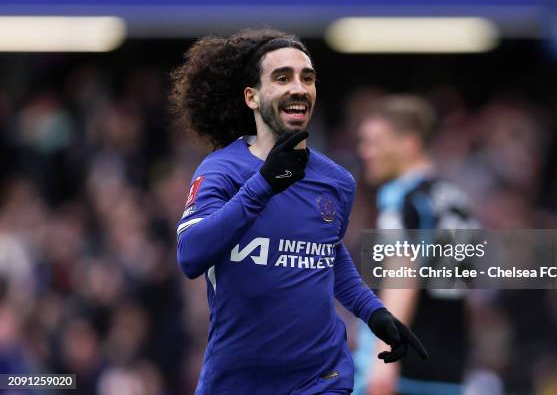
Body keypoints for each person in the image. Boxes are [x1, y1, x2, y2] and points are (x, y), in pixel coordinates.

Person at [169, 29, 428, 395]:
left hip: (321, 379)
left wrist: (374, 312)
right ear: (252, 97)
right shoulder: (221, 171)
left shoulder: (336, 182)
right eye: (282, 77)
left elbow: (326, 253)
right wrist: (263, 185)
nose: (298, 87)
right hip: (238, 381)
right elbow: (191, 254)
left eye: (307, 78)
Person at [355, 94, 478, 395]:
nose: (364, 152)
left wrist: (383, 356)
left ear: (409, 143)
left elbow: (402, 276)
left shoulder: (401, 199)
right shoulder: (456, 199)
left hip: (402, 369)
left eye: (375, 142)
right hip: (448, 366)